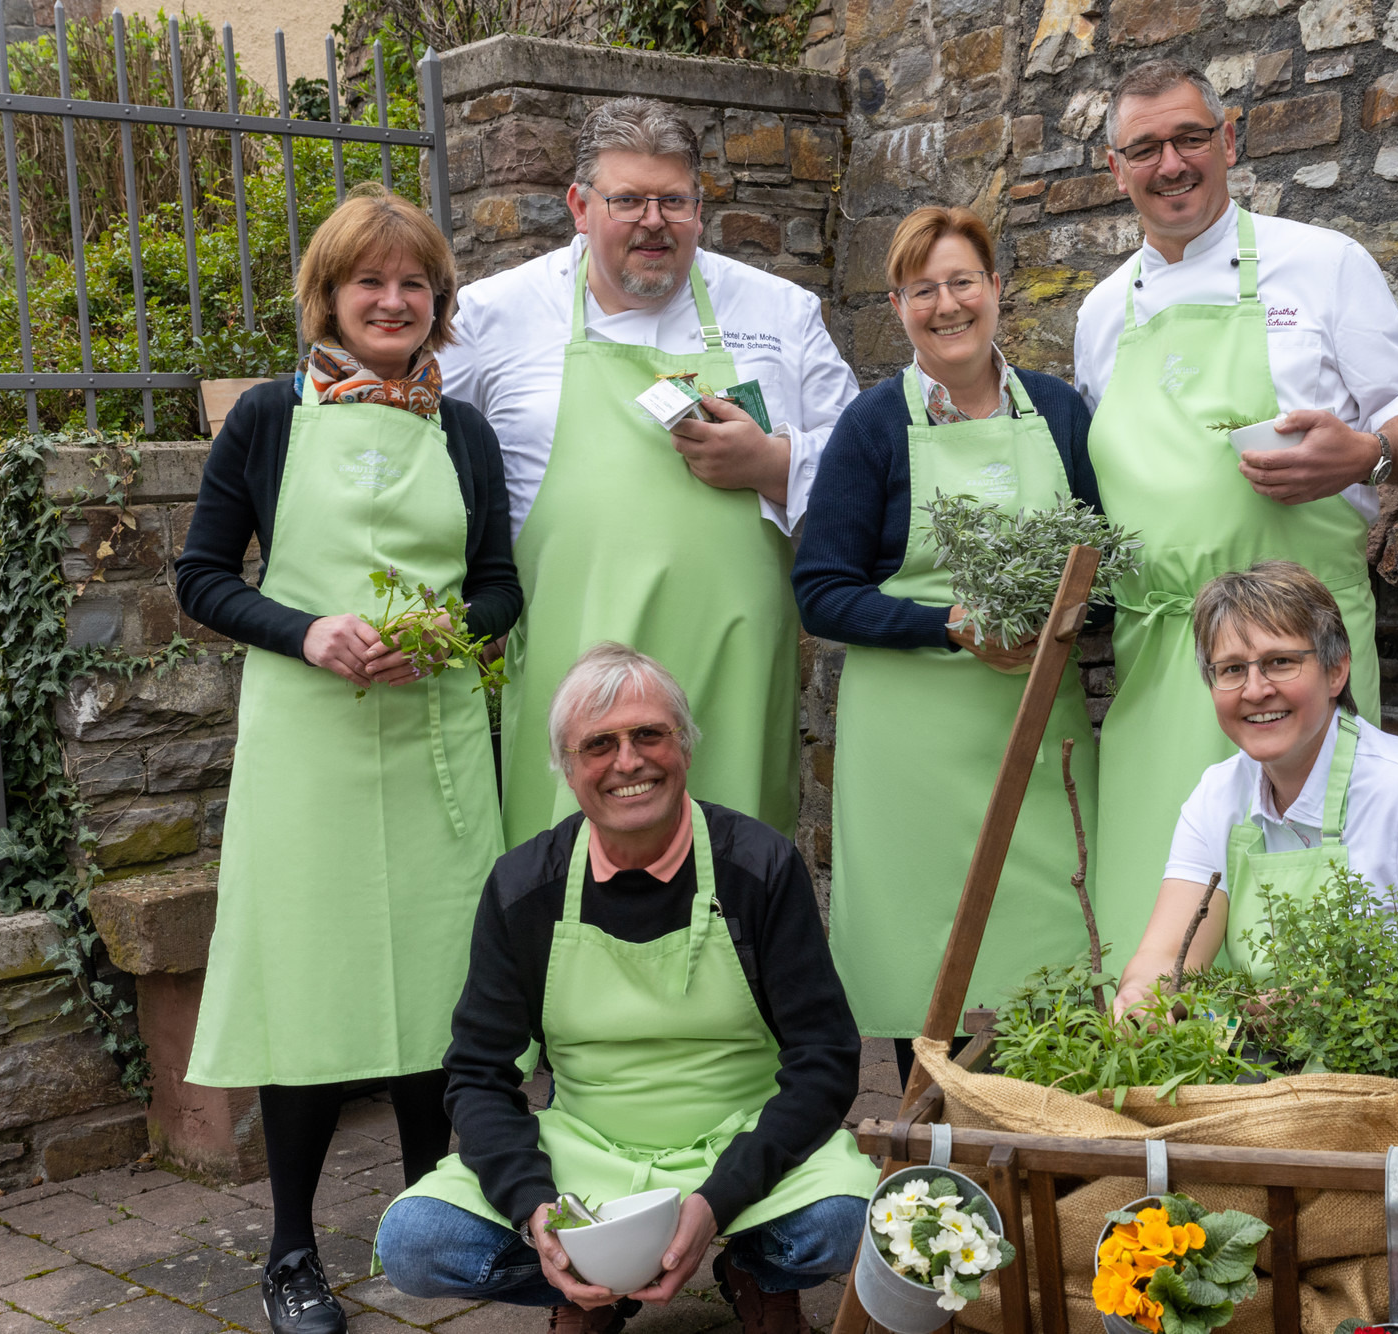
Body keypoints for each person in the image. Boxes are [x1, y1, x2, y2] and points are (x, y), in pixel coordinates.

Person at [174, 186, 519, 1334]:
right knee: (312, 993)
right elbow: (203, 575)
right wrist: (309, 629)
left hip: (434, 742)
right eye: (368, 281)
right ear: (327, 296)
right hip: (308, 744)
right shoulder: (267, 419)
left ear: (438, 304)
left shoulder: (460, 431)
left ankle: (442, 1225)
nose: (391, 299)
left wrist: (447, 637)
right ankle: (290, 1253)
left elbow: (498, 584)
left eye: (412, 282)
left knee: (440, 988)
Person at [1072, 60, 1398, 967]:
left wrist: (1368, 452)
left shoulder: (1321, 264)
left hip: (1292, 656)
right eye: (1145, 148)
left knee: (1308, 908)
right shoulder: (1099, 314)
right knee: (1155, 911)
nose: (1171, 164)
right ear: (1114, 168)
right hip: (1163, 657)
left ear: (1229, 141)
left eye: (1190, 139)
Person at [377, 643, 878, 1334]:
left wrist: (717, 1202)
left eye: (650, 734)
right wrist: (540, 1211)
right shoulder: (525, 887)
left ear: (686, 747)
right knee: (415, 1244)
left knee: (850, 1227)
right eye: (598, 745)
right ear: (566, 766)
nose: (628, 762)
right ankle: (589, 1282)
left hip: (740, 1140)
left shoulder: (759, 866)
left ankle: (756, 1266)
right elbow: (478, 1072)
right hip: (587, 1154)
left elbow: (824, 1055)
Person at [440, 96, 858, 847]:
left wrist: (775, 462)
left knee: (734, 875)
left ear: (701, 206)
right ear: (579, 205)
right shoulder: (493, 316)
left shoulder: (781, 313)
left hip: (734, 672)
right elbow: (414, 450)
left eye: (674, 200)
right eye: (627, 199)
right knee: (570, 886)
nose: (653, 221)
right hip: (573, 673)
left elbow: (866, 472)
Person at [794, 206, 1106, 1087]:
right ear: (898, 307)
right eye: (923, 289)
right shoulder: (871, 426)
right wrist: (945, 624)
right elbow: (822, 591)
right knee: (921, 949)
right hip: (913, 744)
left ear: (998, 290)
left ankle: (1051, 1147)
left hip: (1037, 728)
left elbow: (1104, 556)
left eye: (963, 280)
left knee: (1052, 928)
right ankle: (935, 1153)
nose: (947, 304)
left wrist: (1070, 613)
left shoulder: (1056, 410)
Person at [1112, 561, 1398, 1020]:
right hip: (1272, 1068)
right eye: (1232, 669)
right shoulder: (1217, 794)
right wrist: (1142, 1000)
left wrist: (1351, 1008)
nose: (1255, 690)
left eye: (1280, 662)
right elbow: (1166, 961)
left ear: (1336, 671)